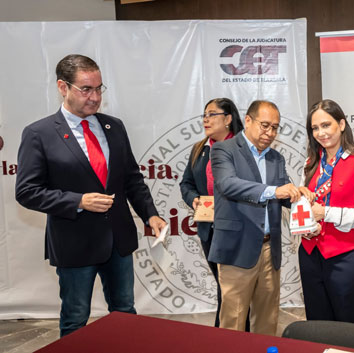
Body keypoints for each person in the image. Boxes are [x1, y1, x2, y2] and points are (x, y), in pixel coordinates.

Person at [15, 54, 167, 337]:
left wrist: (151, 214)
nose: (95, 97)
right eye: (86, 89)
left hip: (118, 241)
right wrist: (77, 201)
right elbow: (27, 192)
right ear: (63, 87)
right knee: (75, 319)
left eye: (99, 88)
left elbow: (131, 179)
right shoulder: (39, 133)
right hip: (75, 243)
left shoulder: (114, 126)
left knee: (125, 314)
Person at [208, 100, 311, 335]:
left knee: (267, 320)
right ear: (247, 120)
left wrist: (298, 194)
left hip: (268, 249)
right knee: (233, 322)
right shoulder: (224, 150)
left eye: (275, 127)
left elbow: (283, 193)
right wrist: (275, 191)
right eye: (265, 125)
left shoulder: (276, 158)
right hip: (237, 248)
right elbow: (228, 185)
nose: (270, 133)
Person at [299, 99, 354, 324]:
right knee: (317, 323)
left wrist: (325, 213)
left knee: (346, 326)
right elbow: (304, 207)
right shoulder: (310, 163)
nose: (321, 133)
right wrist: (305, 223)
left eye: (326, 125)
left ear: (341, 124)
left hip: (346, 258)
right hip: (310, 255)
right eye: (315, 128)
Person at [179, 97, 244, 328]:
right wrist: (194, 199)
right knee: (222, 285)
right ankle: (226, 334)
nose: (206, 119)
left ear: (227, 119)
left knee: (235, 289)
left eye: (212, 114)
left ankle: (232, 335)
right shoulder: (200, 149)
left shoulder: (243, 148)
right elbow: (186, 184)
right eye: (204, 115)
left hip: (238, 230)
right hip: (209, 230)